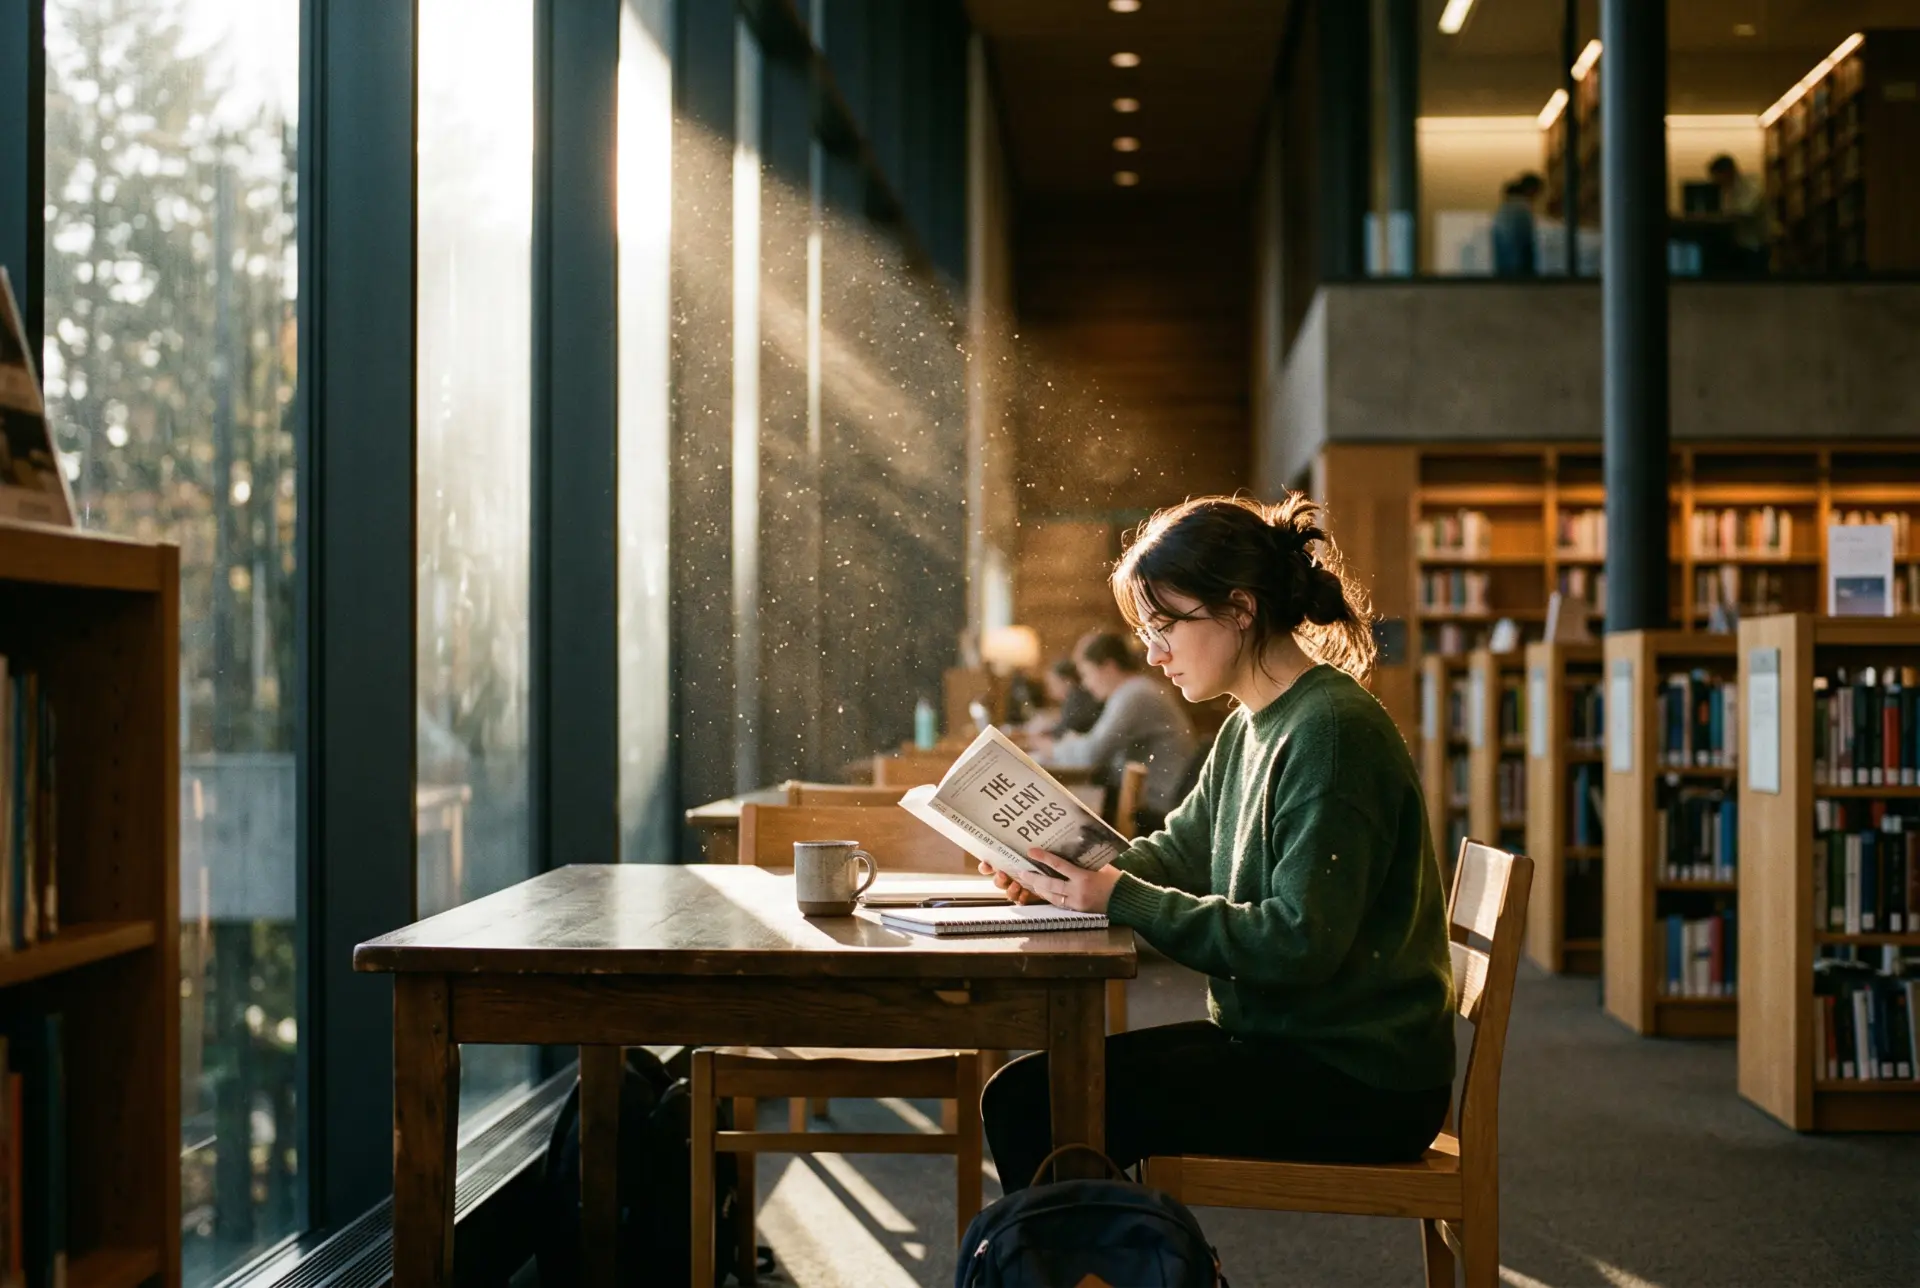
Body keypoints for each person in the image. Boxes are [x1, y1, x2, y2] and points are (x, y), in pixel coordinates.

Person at [979, 493, 1455, 1193]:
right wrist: (1062, 869)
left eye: (1165, 623)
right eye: (1145, 629)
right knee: (1033, 1092)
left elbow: (1297, 944)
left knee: (1037, 1105)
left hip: (1357, 1078)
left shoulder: (1330, 732)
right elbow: (1177, 852)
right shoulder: (1247, 726)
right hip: (1289, 1044)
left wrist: (1120, 898)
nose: (1151, 650)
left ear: (1239, 608)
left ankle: (1112, 1268)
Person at [1030, 631, 1196, 835]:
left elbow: (1090, 754)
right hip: (1147, 797)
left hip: (1153, 807)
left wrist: (1051, 748)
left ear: (1108, 667)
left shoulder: (1134, 694)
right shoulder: (1134, 690)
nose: (1086, 684)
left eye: (1087, 673)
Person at [1708, 155, 1767, 274]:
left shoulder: (1751, 186)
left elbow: (1747, 211)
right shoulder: (1726, 191)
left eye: (1717, 176)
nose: (1715, 180)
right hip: (1738, 245)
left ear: (1727, 172)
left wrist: (1721, 217)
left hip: (1754, 246)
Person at [1491, 172, 1542, 277]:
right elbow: (1524, 243)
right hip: (1517, 270)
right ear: (1532, 189)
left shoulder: (1506, 207)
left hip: (1505, 268)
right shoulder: (1521, 209)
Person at [1037, 656, 1102, 737]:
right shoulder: (1077, 696)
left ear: (1068, 681)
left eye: (1054, 683)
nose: (1050, 689)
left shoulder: (1077, 698)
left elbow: (1063, 732)